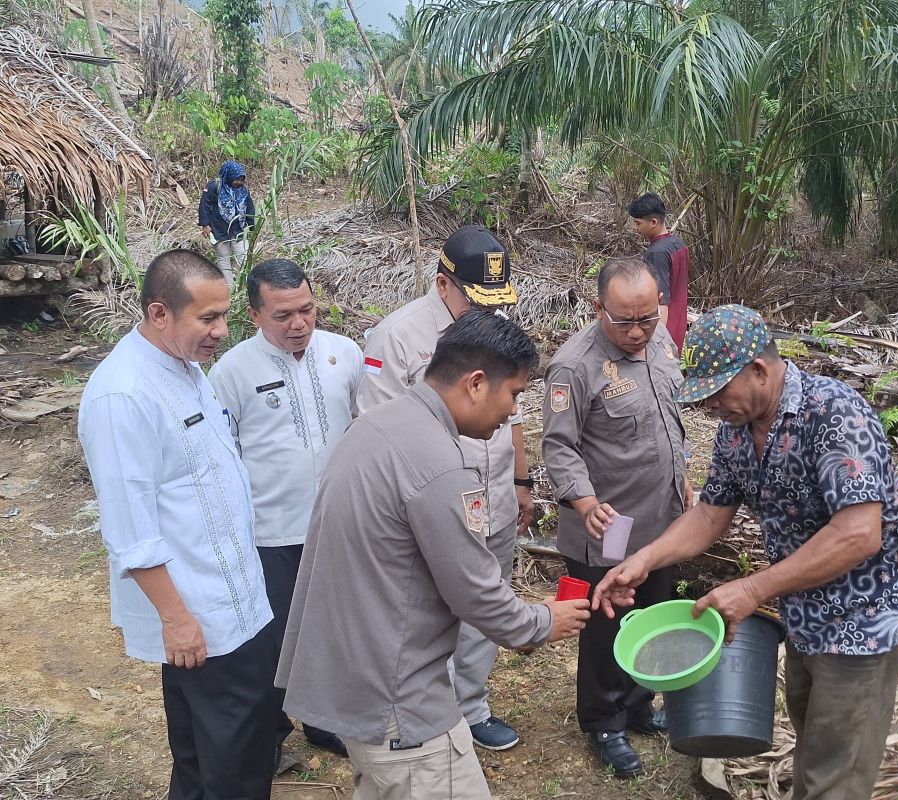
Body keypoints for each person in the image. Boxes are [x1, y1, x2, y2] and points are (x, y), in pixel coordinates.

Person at [594, 305, 898, 800]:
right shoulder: (737, 428)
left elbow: (859, 534)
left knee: (833, 771)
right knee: (812, 739)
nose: (710, 406)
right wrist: (645, 560)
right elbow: (711, 513)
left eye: (717, 392)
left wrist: (753, 588)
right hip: (805, 614)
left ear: (758, 370)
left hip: (866, 620)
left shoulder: (834, 414)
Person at [277, 311, 591, 800]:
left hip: (354, 677)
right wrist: (542, 622)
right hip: (401, 703)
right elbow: (475, 590)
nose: (512, 413)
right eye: (513, 394)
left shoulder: (377, 427)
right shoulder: (440, 467)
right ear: (476, 383)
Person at [78, 249, 276, 799]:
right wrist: (176, 618)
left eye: (224, 316)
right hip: (199, 614)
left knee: (209, 750)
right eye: (207, 319)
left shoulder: (185, 368)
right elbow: (129, 528)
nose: (221, 331)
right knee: (232, 759)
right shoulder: (123, 395)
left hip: (237, 597)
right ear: (159, 313)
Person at [357, 224, 534, 751]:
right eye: (476, 299)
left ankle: (471, 706)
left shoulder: (494, 328)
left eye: (496, 301)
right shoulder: (398, 337)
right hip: (432, 507)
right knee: (426, 610)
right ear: (442, 284)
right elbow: (377, 429)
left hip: (495, 493)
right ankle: (423, 710)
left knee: (487, 599)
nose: (487, 311)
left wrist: (522, 479)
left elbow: (513, 410)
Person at [208, 259, 363, 763]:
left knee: (330, 628)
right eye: (282, 316)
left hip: (337, 526)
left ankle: (323, 719)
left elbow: (365, 428)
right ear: (253, 315)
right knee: (272, 639)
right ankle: (270, 732)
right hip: (270, 532)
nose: (298, 324)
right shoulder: (231, 372)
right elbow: (222, 455)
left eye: (307, 310)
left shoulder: (345, 354)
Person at [541, 257, 690, 778]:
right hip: (608, 525)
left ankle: (637, 702)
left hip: (663, 519)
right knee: (606, 624)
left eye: (646, 318)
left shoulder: (661, 342)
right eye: (624, 320)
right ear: (597, 306)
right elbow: (558, 447)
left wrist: (682, 477)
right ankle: (604, 721)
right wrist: (584, 502)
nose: (637, 331)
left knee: (652, 612)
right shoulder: (574, 365)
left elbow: (670, 421)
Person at [629, 192, 689, 350]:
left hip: (664, 334)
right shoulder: (678, 244)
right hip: (678, 327)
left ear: (653, 222)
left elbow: (661, 300)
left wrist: (657, 339)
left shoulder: (657, 253)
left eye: (638, 223)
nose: (635, 228)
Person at [198, 160, 256, 286]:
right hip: (219, 229)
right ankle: (229, 288)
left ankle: (246, 286)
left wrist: (252, 226)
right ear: (229, 176)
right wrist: (205, 225)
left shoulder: (243, 190)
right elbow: (204, 206)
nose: (239, 183)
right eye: (237, 179)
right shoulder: (214, 186)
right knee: (223, 258)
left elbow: (249, 208)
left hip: (239, 229)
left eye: (242, 180)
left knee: (243, 257)